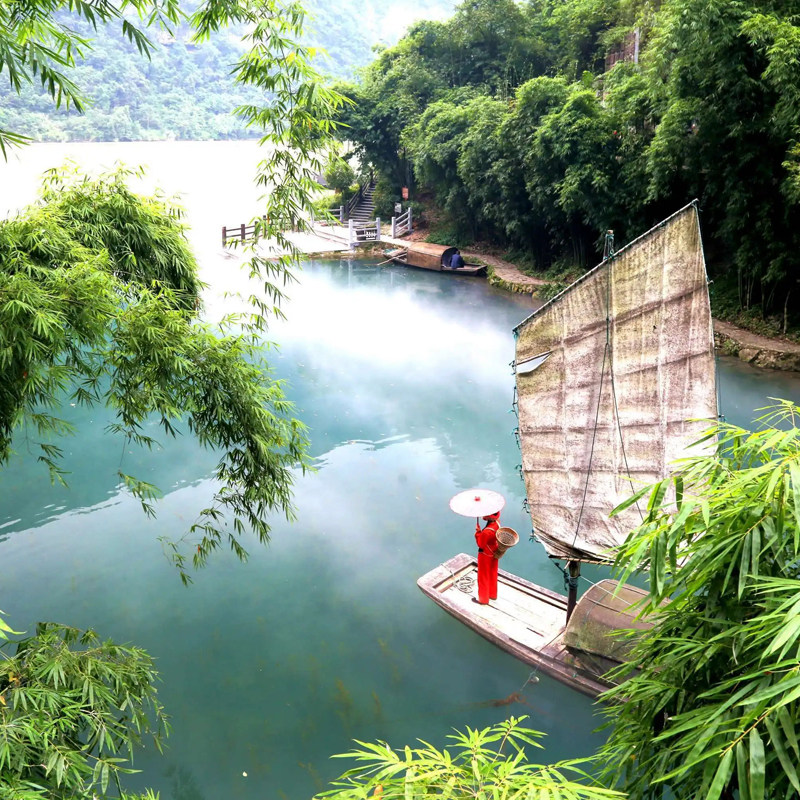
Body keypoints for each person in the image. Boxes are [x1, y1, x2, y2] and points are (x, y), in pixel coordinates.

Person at [474, 511, 500, 604]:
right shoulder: (497, 523)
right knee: (492, 573)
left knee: (483, 576)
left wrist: (478, 532)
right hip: (494, 551)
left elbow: (481, 544)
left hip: (485, 554)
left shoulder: (487, 532)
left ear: (489, 516)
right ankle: (492, 595)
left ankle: (483, 599)